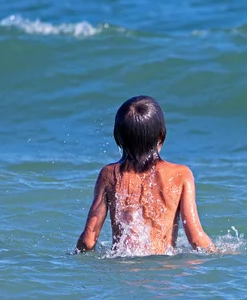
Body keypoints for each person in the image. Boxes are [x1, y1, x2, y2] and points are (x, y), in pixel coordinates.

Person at [76, 96, 215, 255]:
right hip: (162, 272)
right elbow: (196, 239)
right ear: (161, 136)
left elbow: (88, 240)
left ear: (117, 138)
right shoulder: (181, 175)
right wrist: (221, 255)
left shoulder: (109, 174)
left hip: (122, 269)